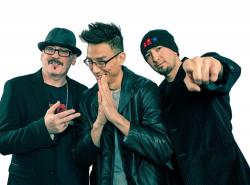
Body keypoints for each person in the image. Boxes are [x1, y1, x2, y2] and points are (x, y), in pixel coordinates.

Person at [140, 29, 250, 185]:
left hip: (227, 174)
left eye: (158, 49)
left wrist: (215, 67)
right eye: (148, 56)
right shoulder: (158, 94)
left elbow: (223, 71)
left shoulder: (195, 69)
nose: (155, 58)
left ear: (174, 49)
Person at [72, 22, 174, 185]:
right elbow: (80, 159)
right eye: (90, 62)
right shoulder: (88, 98)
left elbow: (163, 150)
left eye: (102, 61)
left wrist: (115, 117)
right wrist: (99, 123)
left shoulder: (145, 90)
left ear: (121, 57)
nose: (95, 69)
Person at [0, 27, 88, 185]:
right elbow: (3, 141)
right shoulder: (16, 87)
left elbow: (86, 146)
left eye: (63, 51)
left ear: (74, 59)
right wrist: (44, 128)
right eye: (50, 49)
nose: (55, 55)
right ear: (42, 54)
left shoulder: (84, 93)